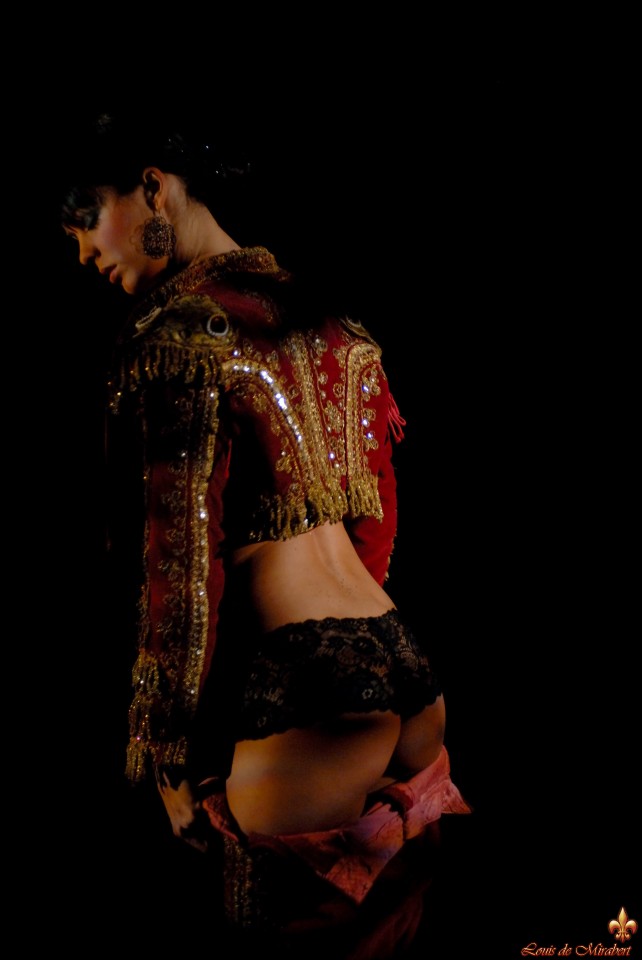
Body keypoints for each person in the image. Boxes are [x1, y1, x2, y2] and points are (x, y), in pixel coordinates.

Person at [58, 108, 470, 958]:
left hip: (309, 692)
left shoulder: (177, 339)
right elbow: (375, 528)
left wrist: (164, 751)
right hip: (403, 668)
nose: (83, 251)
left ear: (152, 188)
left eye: (86, 217)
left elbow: (177, 565)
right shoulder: (335, 327)